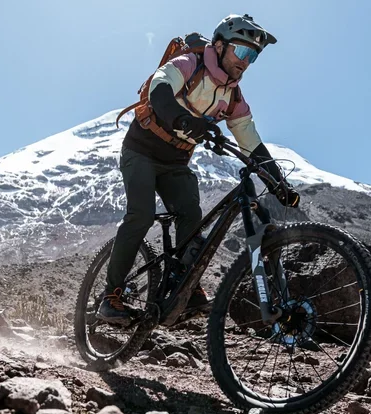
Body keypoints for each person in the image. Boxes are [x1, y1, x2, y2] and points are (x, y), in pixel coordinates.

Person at [98, 14, 300, 326]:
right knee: (140, 214)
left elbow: (249, 140)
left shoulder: (233, 95)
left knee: (191, 215)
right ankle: (110, 296)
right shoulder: (188, 64)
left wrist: (276, 181)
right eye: (243, 52)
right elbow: (159, 88)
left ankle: (183, 288)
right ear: (219, 46)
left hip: (176, 161)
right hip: (141, 149)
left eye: (254, 56)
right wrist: (182, 119)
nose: (247, 62)